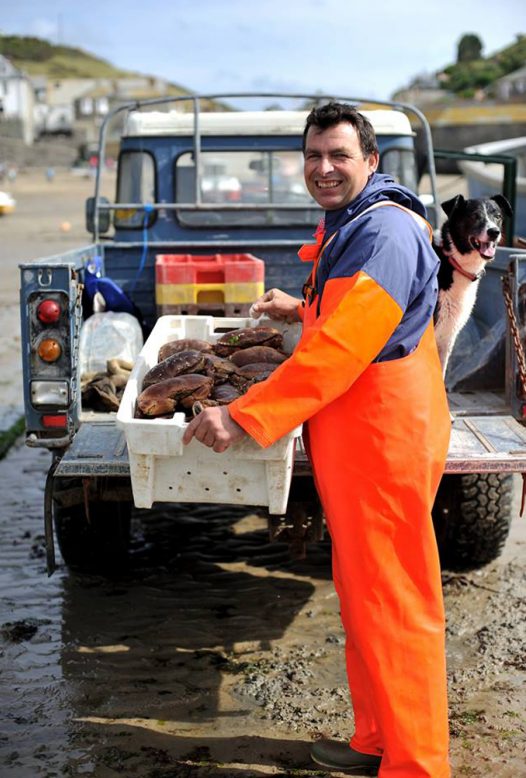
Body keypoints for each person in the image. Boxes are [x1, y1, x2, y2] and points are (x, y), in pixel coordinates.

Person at [183, 102, 451, 777]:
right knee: (365, 595)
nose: (323, 168)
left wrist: (242, 414)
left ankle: (418, 765)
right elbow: (349, 316)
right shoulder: (355, 222)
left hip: (384, 434)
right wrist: (297, 308)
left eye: (338, 155)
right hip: (356, 433)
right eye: (313, 156)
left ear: (371, 162)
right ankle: (375, 741)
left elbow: (344, 346)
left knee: (395, 601)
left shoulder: (387, 232)